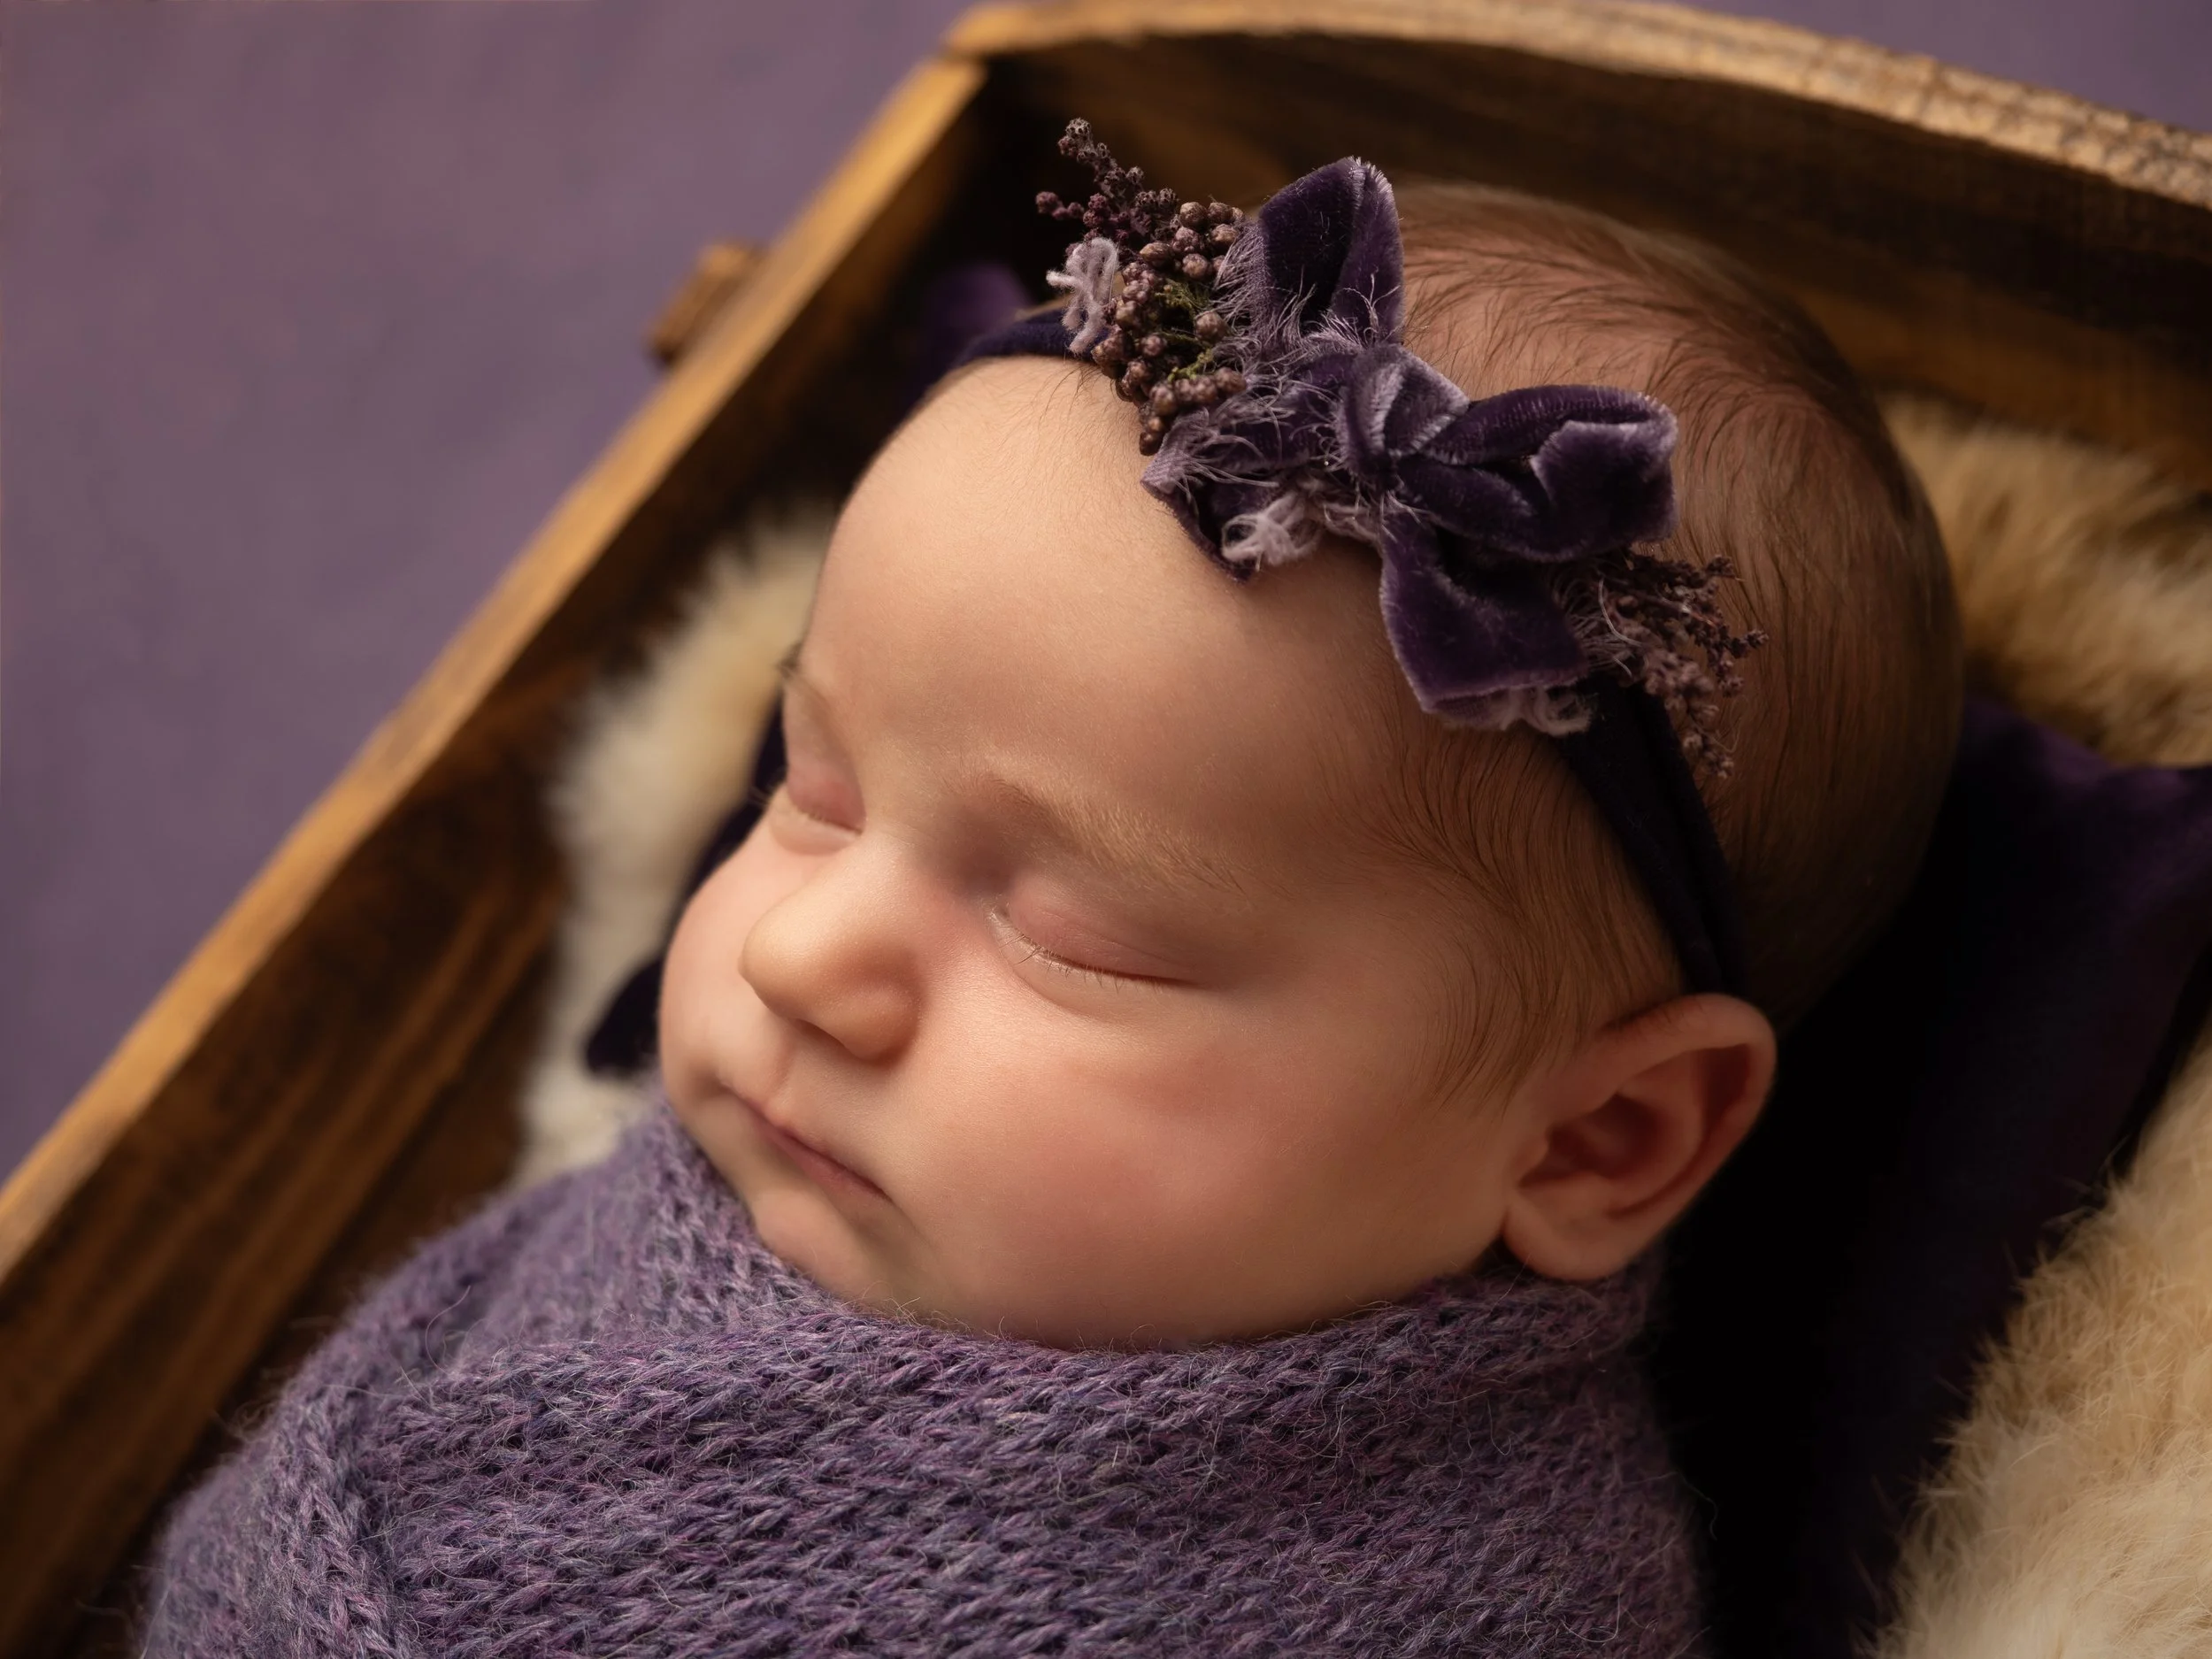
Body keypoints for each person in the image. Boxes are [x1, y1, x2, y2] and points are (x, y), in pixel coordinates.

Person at [144, 127, 1961, 1656]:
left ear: (1597, 1138)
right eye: (810, 788)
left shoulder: (1471, 1598)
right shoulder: (771, 1177)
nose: (794, 952)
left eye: (1072, 935)